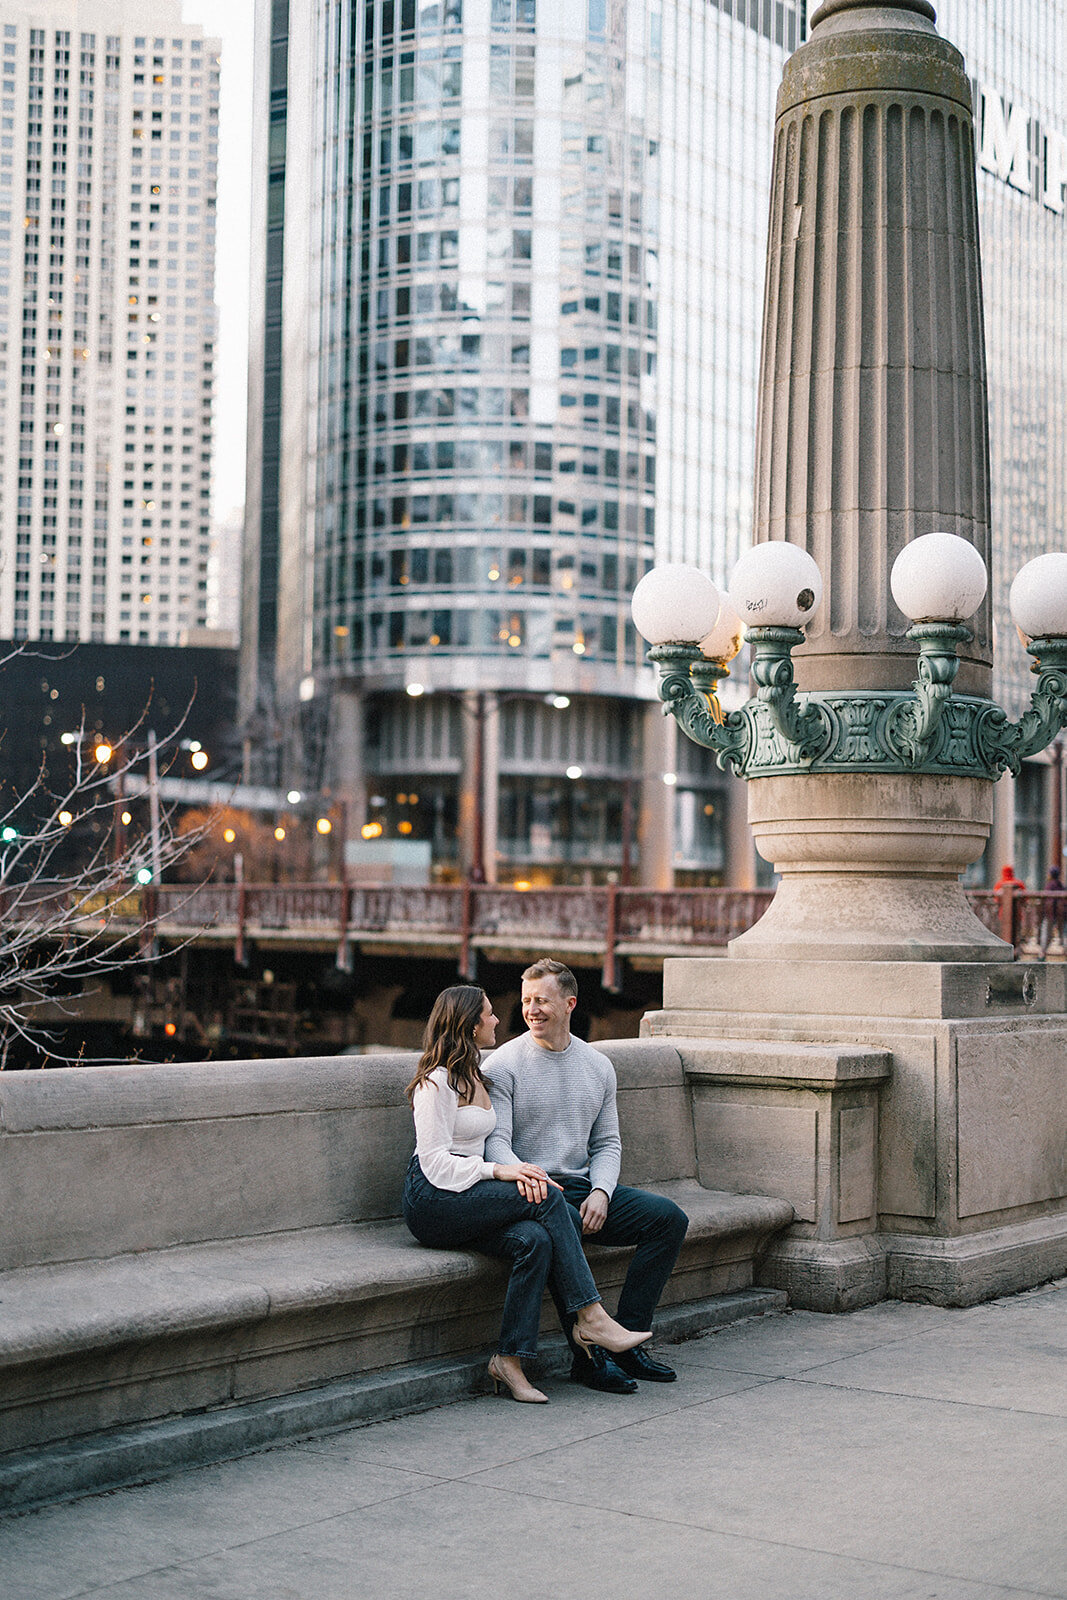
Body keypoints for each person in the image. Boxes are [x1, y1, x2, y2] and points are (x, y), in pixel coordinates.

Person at [402, 984, 651, 1404]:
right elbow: (435, 1165)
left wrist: (502, 1173)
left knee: (534, 1241)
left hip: (472, 1194)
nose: (498, 1019)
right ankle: (590, 1316)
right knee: (548, 1196)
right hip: (433, 1201)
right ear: (468, 1022)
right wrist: (500, 1170)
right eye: (488, 1014)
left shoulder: (479, 1075)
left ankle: (509, 1361)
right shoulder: (436, 1082)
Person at [485, 959, 689, 1395]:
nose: (531, 1010)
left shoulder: (597, 1065)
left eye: (541, 1000)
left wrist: (601, 1191)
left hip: (581, 1186)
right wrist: (528, 1176)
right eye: (525, 1001)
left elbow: (607, 1144)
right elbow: (496, 1143)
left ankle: (627, 1342)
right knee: (560, 1229)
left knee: (668, 1219)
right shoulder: (503, 1065)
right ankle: (588, 1359)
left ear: (570, 1003)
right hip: (532, 1189)